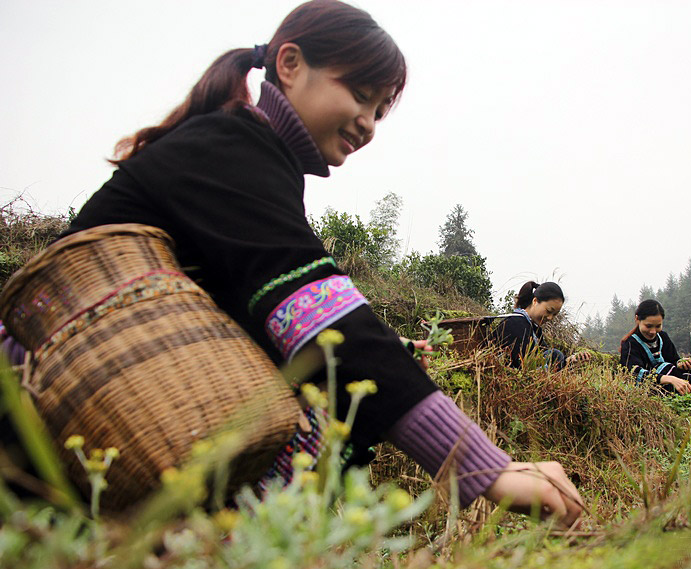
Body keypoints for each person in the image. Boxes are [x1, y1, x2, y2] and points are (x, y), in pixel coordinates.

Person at [5, 0, 583, 525]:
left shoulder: (254, 158)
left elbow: (268, 307)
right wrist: (485, 467)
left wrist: (393, 353)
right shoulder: (230, 149)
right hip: (44, 400)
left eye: (380, 110)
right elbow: (318, 315)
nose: (367, 123)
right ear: (289, 64)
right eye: (359, 95)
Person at [490, 281, 590, 370]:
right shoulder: (515, 324)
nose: (550, 318)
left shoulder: (534, 328)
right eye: (549, 311)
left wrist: (571, 362)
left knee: (555, 354)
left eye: (554, 314)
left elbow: (545, 356)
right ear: (535, 301)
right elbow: (525, 367)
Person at [620, 299, 691, 395]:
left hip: (668, 381)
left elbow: (672, 359)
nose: (653, 331)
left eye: (658, 326)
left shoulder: (663, 337)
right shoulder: (630, 343)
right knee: (666, 367)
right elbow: (633, 372)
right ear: (637, 319)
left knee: (688, 376)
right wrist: (667, 378)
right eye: (648, 326)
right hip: (647, 389)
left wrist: (680, 364)